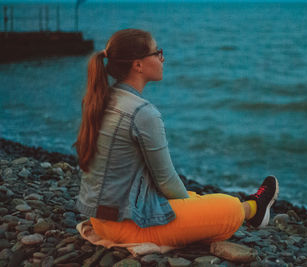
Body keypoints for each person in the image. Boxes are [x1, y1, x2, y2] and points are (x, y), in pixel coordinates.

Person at [75, 29, 279, 247]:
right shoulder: (141, 112)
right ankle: (253, 209)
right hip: (129, 225)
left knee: (194, 196)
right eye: (157, 53)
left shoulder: (103, 99)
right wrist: (192, 209)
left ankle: (229, 206)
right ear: (138, 65)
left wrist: (192, 203)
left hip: (101, 219)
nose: (162, 58)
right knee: (228, 207)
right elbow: (166, 180)